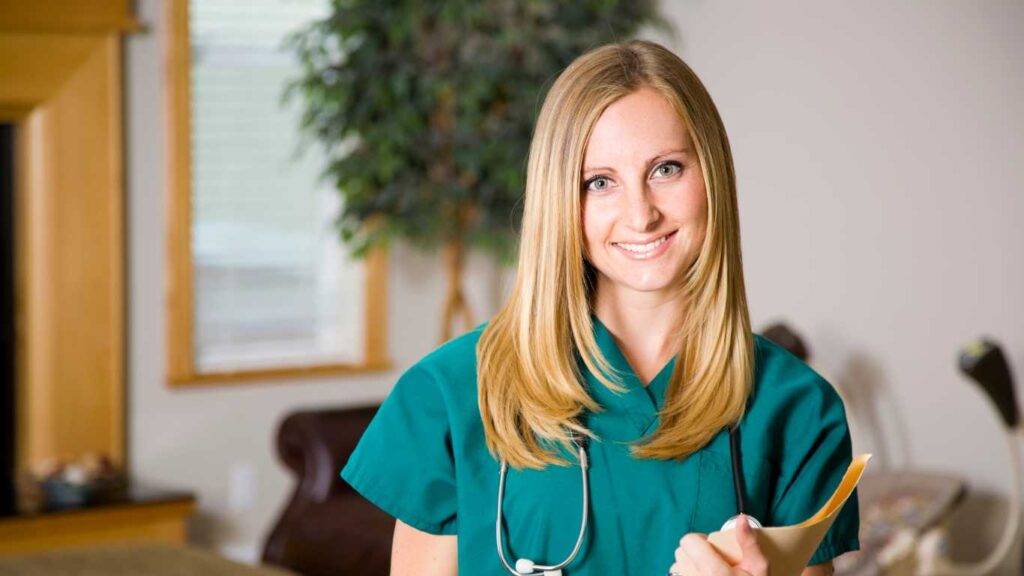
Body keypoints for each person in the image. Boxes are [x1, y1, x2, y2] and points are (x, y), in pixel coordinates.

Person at [340, 39, 859, 576]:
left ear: (713, 175)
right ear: (561, 200)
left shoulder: (797, 409)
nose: (641, 215)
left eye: (666, 169)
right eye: (600, 182)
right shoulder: (450, 394)